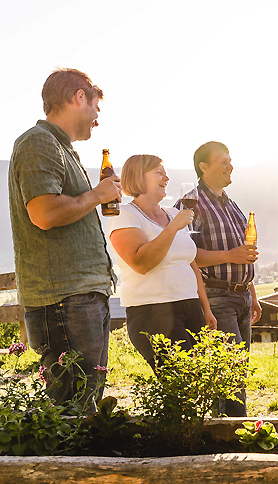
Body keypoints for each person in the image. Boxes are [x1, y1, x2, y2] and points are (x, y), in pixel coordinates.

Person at [8, 68, 121, 407]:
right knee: (72, 408)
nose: (97, 118)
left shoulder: (62, 148)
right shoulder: (38, 142)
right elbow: (44, 214)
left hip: (77, 296)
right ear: (79, 97)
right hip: (64, 299)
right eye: (95, 107)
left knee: (83, 403)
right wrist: (98, 196)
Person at [176, 141, 262, 417]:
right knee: (230, 373)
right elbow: (186, 256)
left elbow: (243, 254)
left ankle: (232, 430)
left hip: (241, 297)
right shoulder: (190, 204)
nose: (230, 166)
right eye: (223, 161)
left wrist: (253, 293)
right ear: (203, 167)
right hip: (216, 297)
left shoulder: (231, 204)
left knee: (238, 370)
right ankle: (235, 434)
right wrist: (231, 256)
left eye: (230, 160)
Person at [108, 155, 217, 370]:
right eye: (159, 172)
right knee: (181, 385)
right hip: (153, 311)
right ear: (138, 177)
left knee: (200, 381)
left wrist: (205, 307)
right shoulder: (124, 215)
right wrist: (173, 228)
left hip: (190, 305)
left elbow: (190, 263)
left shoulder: (173, 213)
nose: (166, 177)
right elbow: (141, 263)